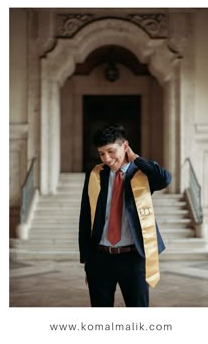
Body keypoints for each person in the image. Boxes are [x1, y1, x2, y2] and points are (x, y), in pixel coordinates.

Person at [79, 124, 171, 307]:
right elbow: (85, 216)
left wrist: (136, 159)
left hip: (133, 257)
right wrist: (87, 258)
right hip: (100, 257)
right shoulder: (96, 174)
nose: (107, 158)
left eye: (111, 151)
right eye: (101, 153)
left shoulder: (141, 174)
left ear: (125, 146)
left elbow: (164, 179)